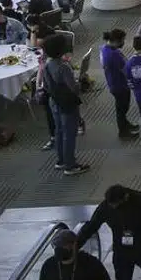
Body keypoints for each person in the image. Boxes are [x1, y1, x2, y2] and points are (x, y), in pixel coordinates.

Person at [41, 34, 89, 176]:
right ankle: (70, 165)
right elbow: (73, 88)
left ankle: (61, 160)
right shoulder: (64, 67)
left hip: (54, 101)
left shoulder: (48, 63)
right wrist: (81, 81)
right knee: (69, 134)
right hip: (67, 104)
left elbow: (47, 85)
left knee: (59, 131)